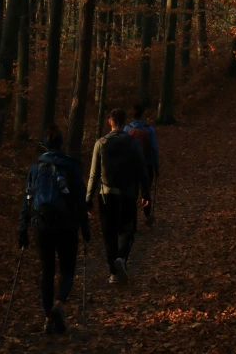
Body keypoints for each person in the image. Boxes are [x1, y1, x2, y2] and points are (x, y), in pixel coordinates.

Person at [18, 124, 90, 334]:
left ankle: (48, 318)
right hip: (66, 225)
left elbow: (27, 200)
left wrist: (22, 229)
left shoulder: (35, 168)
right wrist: (85, 229)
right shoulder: (71, 166)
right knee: (67, 270)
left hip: (41, 225)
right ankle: (59, 305)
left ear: (45, 144)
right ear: (61, 144)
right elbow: (79, 200)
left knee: (47, 272)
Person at [86, 108, 151, 284]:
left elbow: (94, 174)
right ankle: (121, 258)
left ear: (110, 121)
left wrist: (88, 199)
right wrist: (146, 193)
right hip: (128, 193)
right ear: (124, 123)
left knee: (109, 233)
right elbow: (142, 170)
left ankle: (114, 273)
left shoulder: (101, 143)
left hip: (106, 194)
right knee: (127, 230)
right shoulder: (133, 142)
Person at [124, 102, 159, 223]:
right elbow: (154, 148)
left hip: (131, 166)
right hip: (147, 164)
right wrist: (156, 165)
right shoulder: (149, 129)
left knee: (132, 191)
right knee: (146, 190)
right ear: (143, 114)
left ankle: (132, 218)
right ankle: (147, 215)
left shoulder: (127, 129)